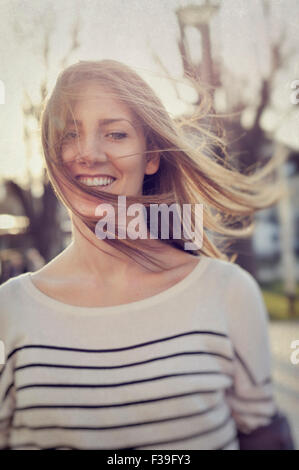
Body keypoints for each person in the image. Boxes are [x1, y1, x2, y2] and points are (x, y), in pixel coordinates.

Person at [0, 60, 294, 450]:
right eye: (70, 134)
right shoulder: (9, 310)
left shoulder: (228, 293)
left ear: (151, 156)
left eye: (116, 134)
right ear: (53, 156)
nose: (88, 153)